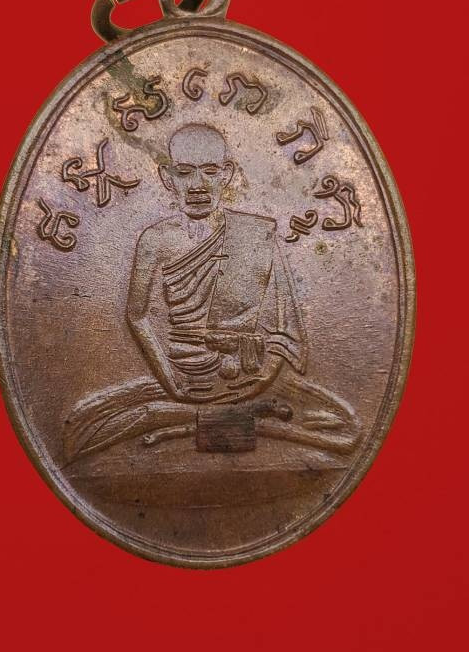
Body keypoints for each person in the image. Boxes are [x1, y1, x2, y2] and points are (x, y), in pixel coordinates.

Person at [64, 124, 360, 461]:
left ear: (227, 174)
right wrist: (169, 379)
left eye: (209, 171)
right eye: (184, 172)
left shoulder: (256, 234)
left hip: (249, 375)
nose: (197, 185)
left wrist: (262, 377)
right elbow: (137, 315)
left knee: (345, 425)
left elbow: (283, 324)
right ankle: (200, 417)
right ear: (167, 178)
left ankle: (191, 419)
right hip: (181, 373)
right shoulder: (156, 239)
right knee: (83, 427)